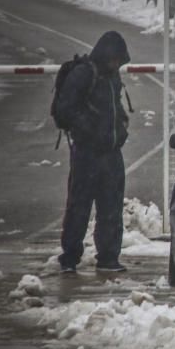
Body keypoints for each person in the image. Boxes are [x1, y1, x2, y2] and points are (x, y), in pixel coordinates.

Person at [56, 31, 131, 274]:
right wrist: (90, 130)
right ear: (106, 55)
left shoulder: (112, 77)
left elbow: (115, 106)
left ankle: (109, 256)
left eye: (119, 61)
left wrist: (120, 128)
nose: (116, 64)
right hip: (87, 153)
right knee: (79, 205)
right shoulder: (84, 73)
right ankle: (69, 256)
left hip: (111, 152)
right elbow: (65, 110)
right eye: (114, 59)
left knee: (111, 206)